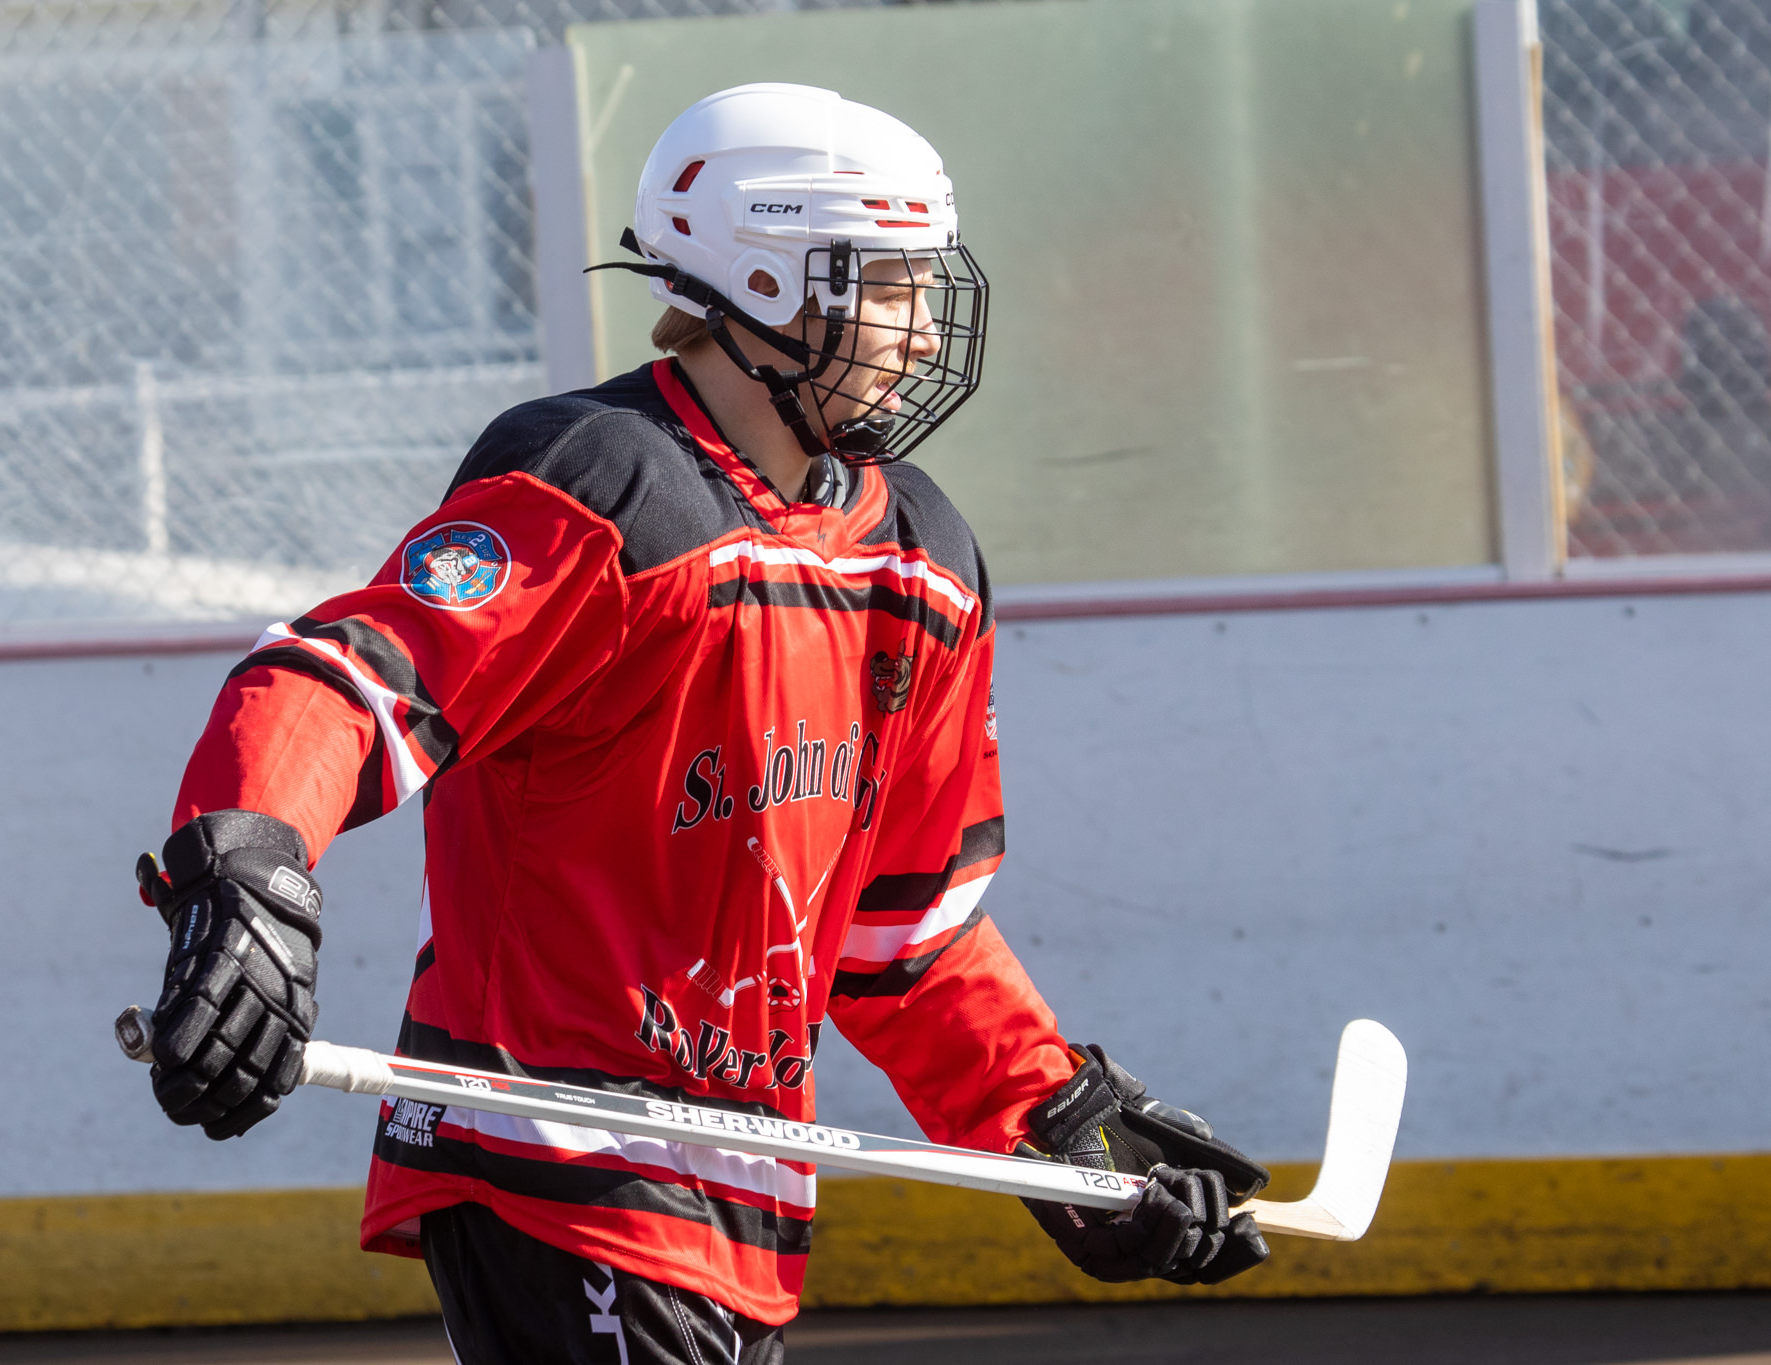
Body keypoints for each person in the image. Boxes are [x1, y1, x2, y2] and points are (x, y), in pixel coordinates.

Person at [133, 82, 1271, 1363]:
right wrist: (249, 871)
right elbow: (343, 681)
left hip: (740, 1198)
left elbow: (899, 933)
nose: (918, 331)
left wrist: (1052, 1121)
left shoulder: (922, 558)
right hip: (553, 1166)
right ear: (764, 277)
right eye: (886, 286)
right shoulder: (601, 484)